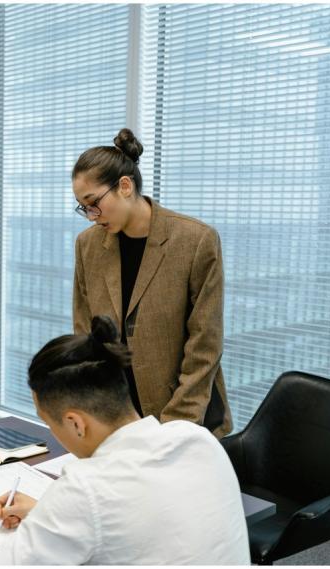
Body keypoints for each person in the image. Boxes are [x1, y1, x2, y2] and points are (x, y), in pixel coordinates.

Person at [0, 316, 250, 565]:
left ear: (76, 423)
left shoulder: (85, 489)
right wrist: (46, 513)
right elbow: (144, 520)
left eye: (48, 423)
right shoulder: (198, 439)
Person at [72, 128, 232, 437]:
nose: (91, 216)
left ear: (125, 186)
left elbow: (205, 345)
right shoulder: (88, 245)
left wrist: (174, 427)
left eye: (94, 203)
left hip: (187, 419)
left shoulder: (195, 240)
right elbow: (85, 333)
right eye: (83, 207)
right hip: (119, 417)